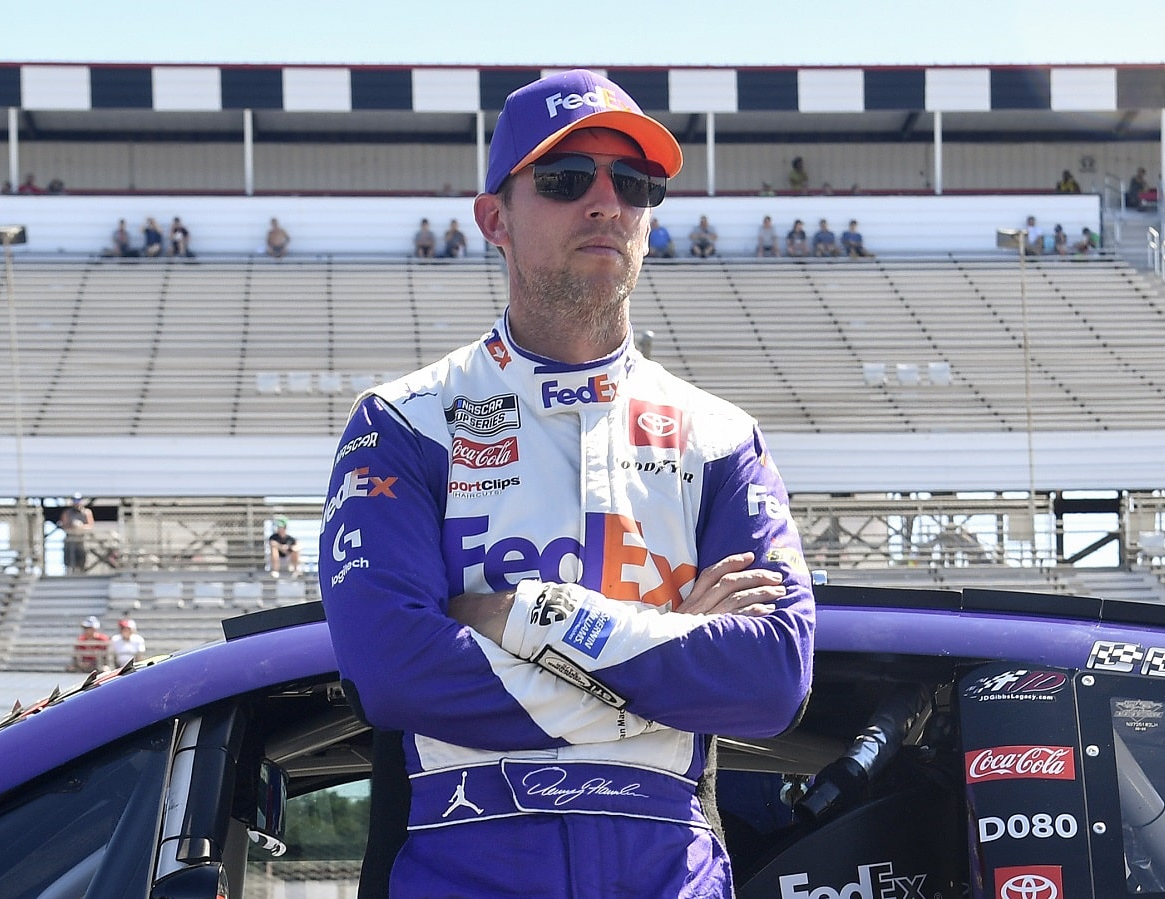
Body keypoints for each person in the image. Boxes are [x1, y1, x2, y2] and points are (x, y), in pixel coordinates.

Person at [318, 68, 814, 898]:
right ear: (493, 218)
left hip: (671, 872)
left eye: (634, 181)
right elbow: (394, 670)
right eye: (564, 178)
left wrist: (531, 616)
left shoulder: (721, 437)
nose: (605, 200)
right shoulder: (403, 423)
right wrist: (669, 667)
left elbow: (771, 678)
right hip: (464, 867)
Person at [59, 494, 94, 575]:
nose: (77, 502)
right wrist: (72, 526)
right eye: (75, 500)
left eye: (78, 500)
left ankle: (81, 571)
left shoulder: (87, 512)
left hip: (81, 539)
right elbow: (64, 525)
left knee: (81, 556)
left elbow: (90, 525)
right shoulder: (67, 513)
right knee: (69, 557)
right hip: (70, 539)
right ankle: (69, 572)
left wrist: (81, 527)